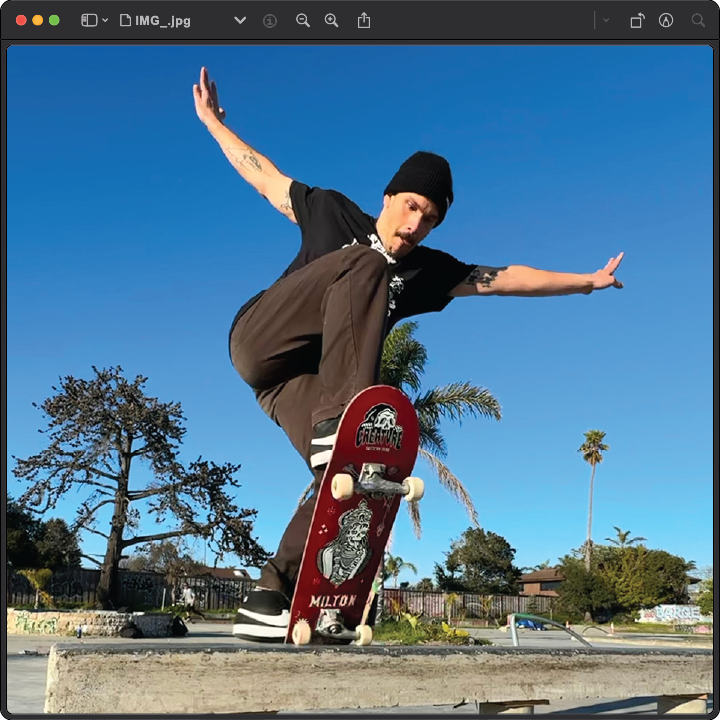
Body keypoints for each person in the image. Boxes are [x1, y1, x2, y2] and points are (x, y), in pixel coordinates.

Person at [192, 67, 625, 642]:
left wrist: (585, 282)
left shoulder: (428, 271)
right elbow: (265, 177)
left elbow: (504, 277)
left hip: (288, 388)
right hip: (260, 337)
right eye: (413, 206)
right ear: (389, 197)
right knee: (370, 262)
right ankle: (344, 416)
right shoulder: (332, 212)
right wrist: (214, 125)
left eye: (431, 218)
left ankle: (274, 592)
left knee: (350, 471)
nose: (417, 224)